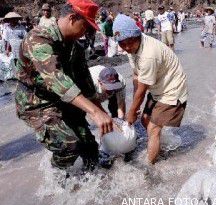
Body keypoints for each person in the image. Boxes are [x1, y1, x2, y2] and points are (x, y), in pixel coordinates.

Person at [15, 0, 113, 171]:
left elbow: (85, 82)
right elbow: (57, 80)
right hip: (37, 102)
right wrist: (94, 112)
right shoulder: (38, 38)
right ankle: (58, 181)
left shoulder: (76, 47)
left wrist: (103, 113)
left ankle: (94, 184)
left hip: (65, 100)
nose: (87, 32)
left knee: (89, 146)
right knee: (69, 146)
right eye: (85, 26)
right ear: (73, 18)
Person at [113, 14, 187, 165]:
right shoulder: (132, 49)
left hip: (171, 90)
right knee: (145, 120)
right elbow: (136, 75)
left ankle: (150, 167)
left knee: (153, 128)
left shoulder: (148, 55)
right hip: (157, 86)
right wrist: (135, 104)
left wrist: (132, 111)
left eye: (130, 43)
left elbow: (143, 87)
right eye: (122, 44)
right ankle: (162, 144)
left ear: (137, 35)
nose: (126, 48)